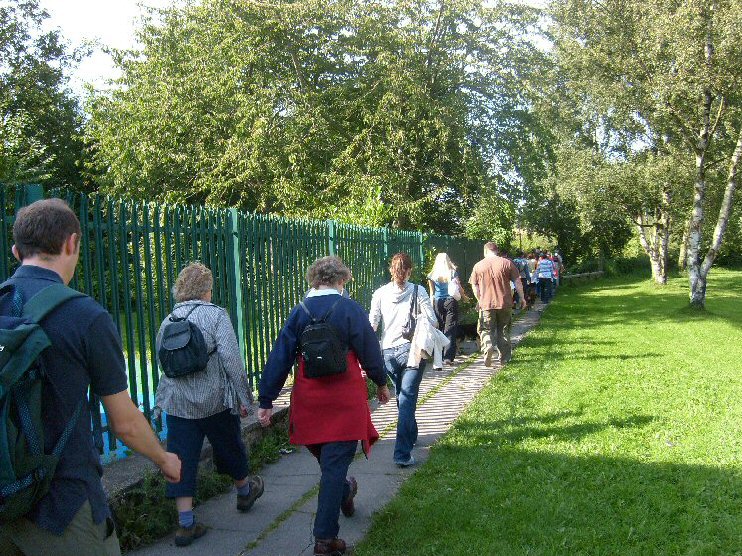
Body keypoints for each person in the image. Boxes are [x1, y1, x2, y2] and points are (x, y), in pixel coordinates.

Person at [0, 199, 181, 556]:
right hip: (62, 508)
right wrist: (164, 459)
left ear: (17, 250)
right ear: (72, 243)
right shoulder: (85, 315)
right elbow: (125, 424)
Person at [258, 256, 390, 556]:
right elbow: (369, 349)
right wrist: (381, 383)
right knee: (333, 467)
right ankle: (325, 539)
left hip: (310, 402)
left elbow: (280, 355)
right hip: (344, 401)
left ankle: (343, 491)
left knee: (331, 465)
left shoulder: (299, 312)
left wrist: (266, 399)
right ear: (341, 279)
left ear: (314, 280)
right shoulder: (349, 309)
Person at [154, 262, 262, 547]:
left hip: (178, 405)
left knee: (181, 458)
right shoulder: (216, 316)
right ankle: (244, 492)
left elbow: (163, 362)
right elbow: (231, 360)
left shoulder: (169, 320)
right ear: (206, 290)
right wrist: (244, 399)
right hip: (215, 400)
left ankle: (186, 523)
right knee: (230, 445)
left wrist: (160, 401)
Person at [370, 252, 436, 467]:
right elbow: (433, 320)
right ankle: (402, 454)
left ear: (391, 269)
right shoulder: (419, 290)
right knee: (406, 398)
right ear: (410, 270)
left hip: (387, 352)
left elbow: (372, 325)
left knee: (403, 396)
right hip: (413, 350)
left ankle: (411, 434)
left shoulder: (379, 293)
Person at [469, 242, 526, 367]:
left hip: (486, 304)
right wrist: (522, 298)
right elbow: (517, 282)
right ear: (497, 251)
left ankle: (488, 346)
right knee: (503, 329)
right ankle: (504, 359)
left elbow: (474, 286)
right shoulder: (507, 263)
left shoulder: (478, 266)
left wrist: (479, 300)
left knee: (485, 329)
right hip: (505, 303)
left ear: (485, 251)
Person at [427, 253, 463, 367]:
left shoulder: (431, 275)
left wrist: (431, 306)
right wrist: (464, 296)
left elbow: (431, 293)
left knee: (441, 328)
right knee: (450, 328)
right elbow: (458, 288)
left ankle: (438, 356)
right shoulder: (452, 272)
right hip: (450, 301)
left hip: (438, 302)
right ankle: (448, 357)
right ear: (448, 261)